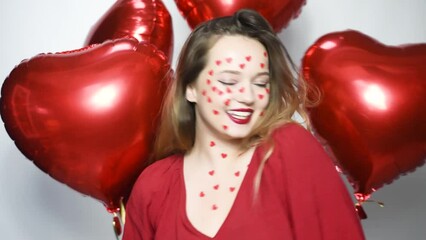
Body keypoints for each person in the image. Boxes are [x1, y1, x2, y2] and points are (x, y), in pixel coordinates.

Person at [123, 9, 365, 240]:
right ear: (190, 88)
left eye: (260, 83)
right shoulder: (153, 186)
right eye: (229, 81)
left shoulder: (290, 150)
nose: (248, 97)